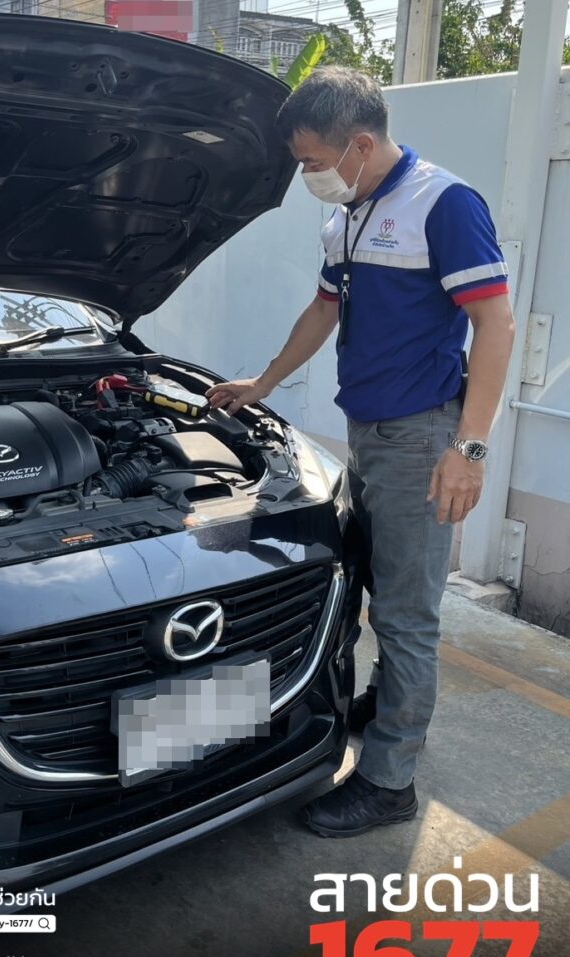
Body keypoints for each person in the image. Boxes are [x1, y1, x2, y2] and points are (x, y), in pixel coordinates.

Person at [206, 67, 515, 838]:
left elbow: (495, 324)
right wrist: (263, 381)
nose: (307, 174)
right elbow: (322, 308)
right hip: (368, 432)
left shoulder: (443, 204)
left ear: (360, 145)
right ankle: (384, 705)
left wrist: (468, 448)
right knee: (368, 583)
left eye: (312, 161)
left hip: (422, 434)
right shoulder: (347, 215)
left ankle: (388, 780)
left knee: (406, 613)